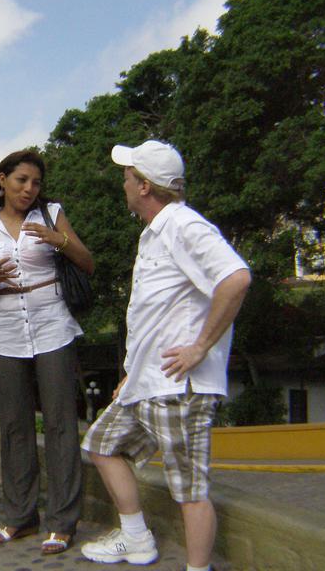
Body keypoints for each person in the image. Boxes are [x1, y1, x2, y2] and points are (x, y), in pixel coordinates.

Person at [80, 140, 251, 571]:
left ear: (144, 186)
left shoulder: (184, 225)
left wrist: (200, 347)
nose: (123, 183)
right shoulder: (155, 231)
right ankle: (136, 539)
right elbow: (157, 312)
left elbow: (235, 279)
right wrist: (131, 372)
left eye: (127, 176)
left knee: (189, 490)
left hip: (179, 387)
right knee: (102, 444)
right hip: (149, 382)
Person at [0, 150, 94, 555]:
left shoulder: (52, 214)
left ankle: (62, 521)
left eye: (35, 182)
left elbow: (87, 263)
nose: (29, 189)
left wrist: (60, 241)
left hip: (52, 325)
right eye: (21, 180)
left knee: (60, 423)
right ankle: (20, 516)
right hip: (5, 332)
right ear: (3, 181)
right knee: (15, 425)